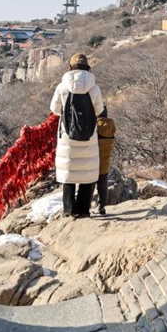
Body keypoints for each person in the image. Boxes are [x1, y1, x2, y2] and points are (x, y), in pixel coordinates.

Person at [50, 53, 104, 218]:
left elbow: (55, 109)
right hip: (89, 136)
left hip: (68, 136)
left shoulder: (62, 87)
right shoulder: (94, 88)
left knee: (69, 172)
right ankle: (83, 209)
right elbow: (99, 110)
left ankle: (69, 210)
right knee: (87, 173)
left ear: (71, 67)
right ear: (87, 67)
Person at [96, 108, 116, 215]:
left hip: (93, 161)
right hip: (105, 161)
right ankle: (102, 206)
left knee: (89, 185)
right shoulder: (111, 126)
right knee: (103, 185)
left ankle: (85, 207)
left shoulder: (95, 126)